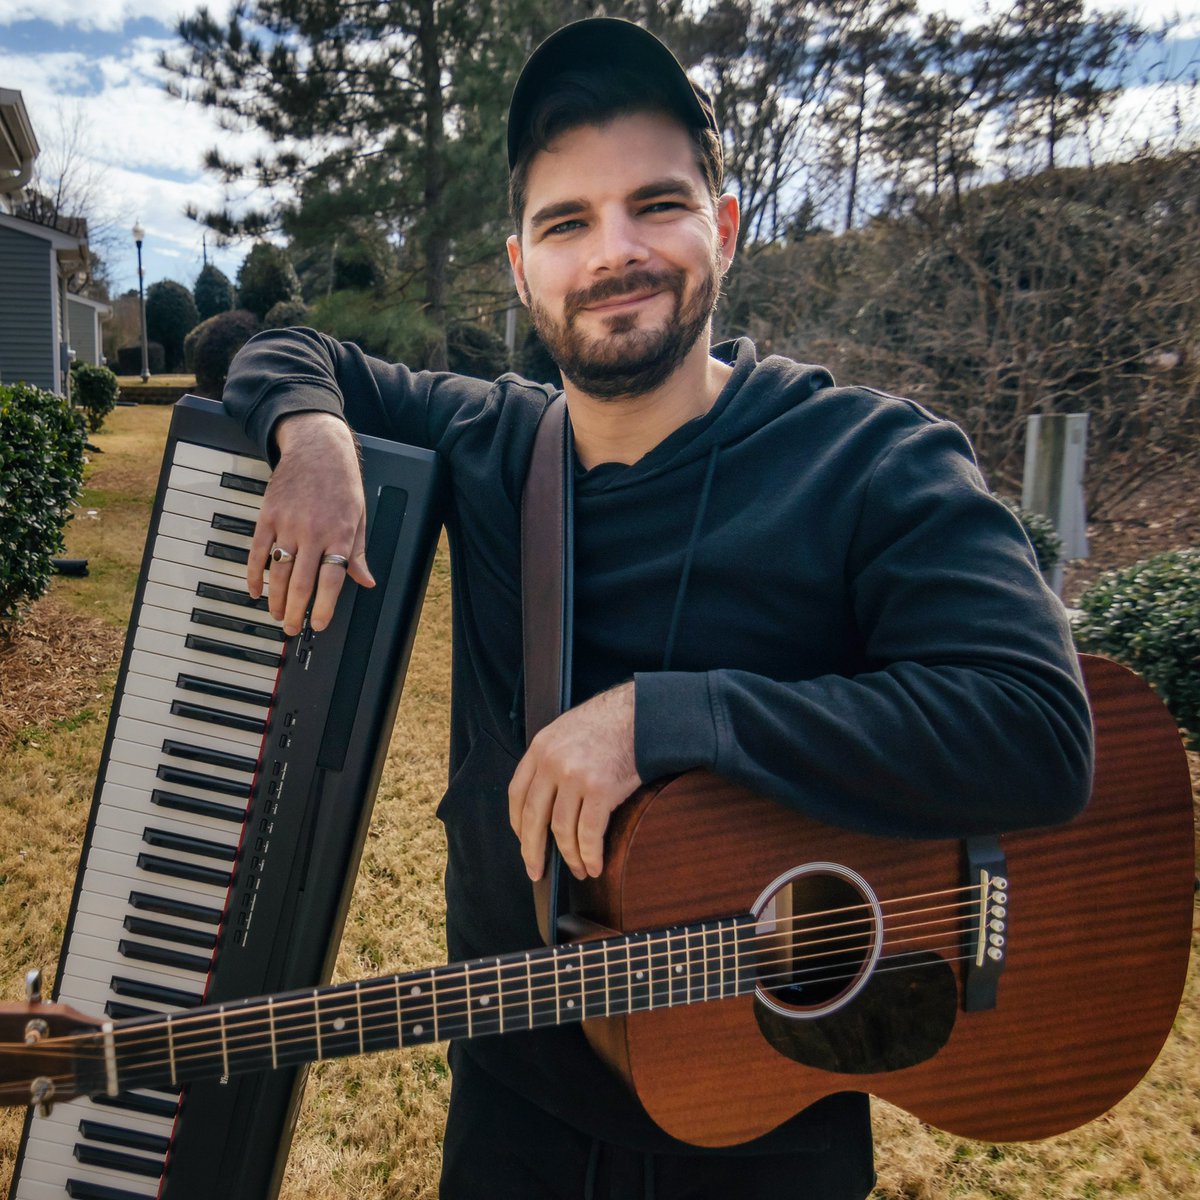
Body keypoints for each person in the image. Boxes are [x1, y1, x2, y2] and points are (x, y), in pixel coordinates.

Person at [222, 18, 1093, 1199]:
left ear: (724, 229)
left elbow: (1039, 730)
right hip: (514, 1111)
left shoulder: (870, 459)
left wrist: (666, 720)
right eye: (567, 222)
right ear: (522, 267)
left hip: (774, 1112)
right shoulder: (484, 442)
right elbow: (283, 346)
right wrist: (316, 436)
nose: (614, 252)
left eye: (657, 205)